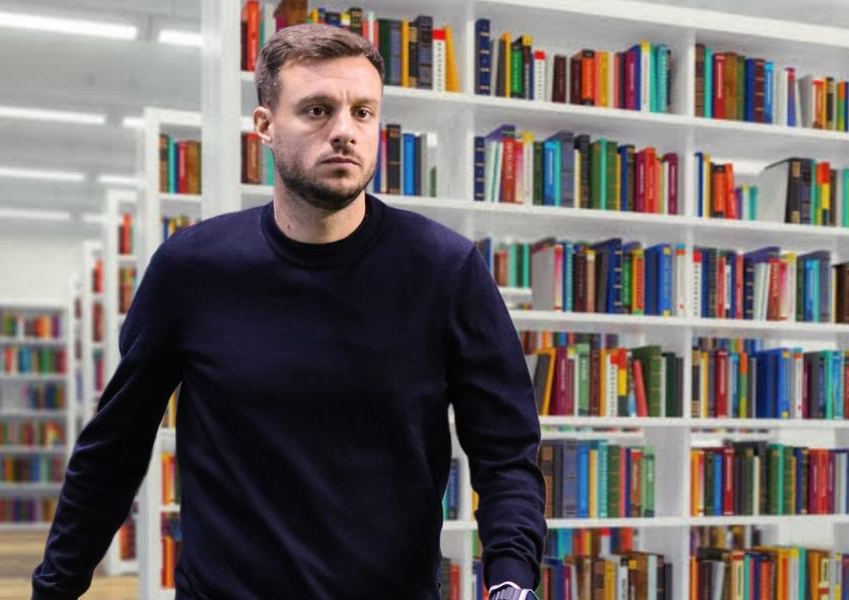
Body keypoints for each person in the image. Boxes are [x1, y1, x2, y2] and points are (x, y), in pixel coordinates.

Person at [31, 23, 545, 600]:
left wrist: (510, 581)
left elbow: (506, 454)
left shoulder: (446, 270)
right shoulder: (192, 269)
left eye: (363, 112)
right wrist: (56, 587)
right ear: (265, 126)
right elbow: (114, 449)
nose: (344, 132)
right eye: (318, 111)